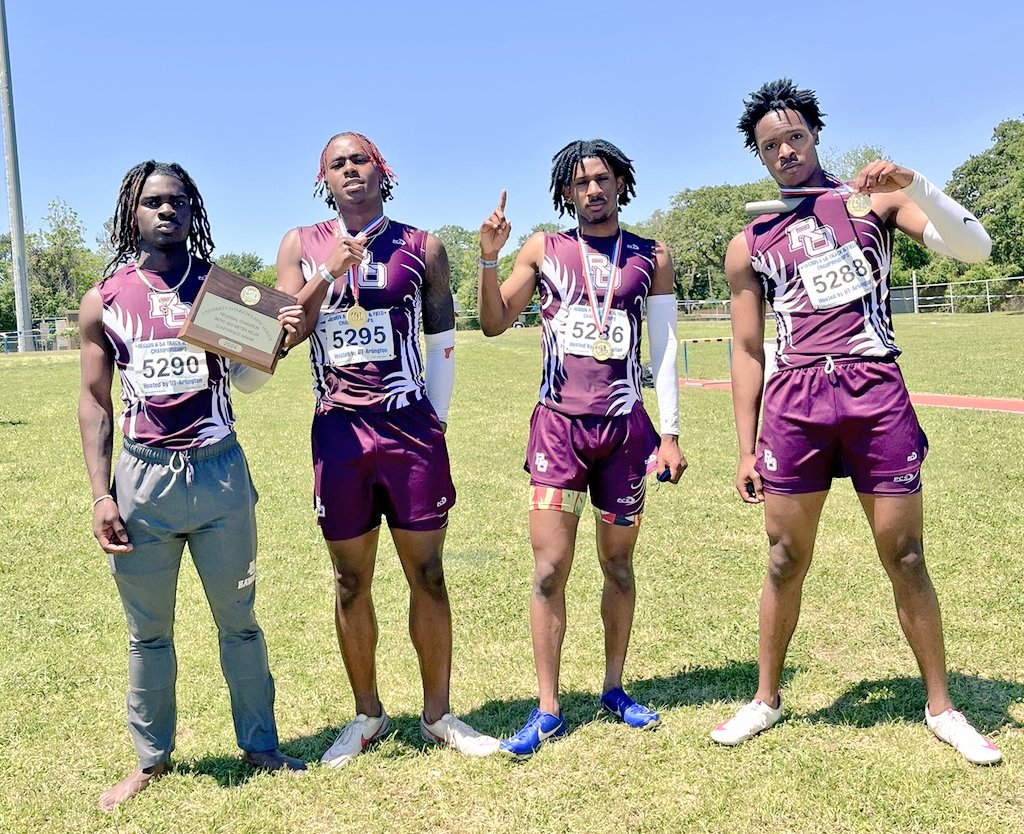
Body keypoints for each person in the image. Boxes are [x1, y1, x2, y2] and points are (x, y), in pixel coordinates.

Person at [713, 79, 1001, 765]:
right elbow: (749, 351)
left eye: (795, 138)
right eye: (770, 146)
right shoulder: (750, 239)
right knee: (785, 558)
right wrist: (744, 447)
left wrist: (918, 184)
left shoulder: (874, 202)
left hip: (875, 391)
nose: (785, 151)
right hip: (796, 401)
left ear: (815, 136)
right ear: (760, 157)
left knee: (905, 556)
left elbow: (976, 251)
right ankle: (765, 699)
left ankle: (942, 707)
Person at [78, 161, 307, 812]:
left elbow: (251, 379)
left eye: (178, 200)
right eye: (153, 202)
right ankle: (151, 761)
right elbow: (94, 401)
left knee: (240, 623)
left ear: (193, 209)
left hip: (219, 473)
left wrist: (275, 343)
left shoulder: (222, 290)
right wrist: (101, 495)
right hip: (142, 480)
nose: (166, 211)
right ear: (133, 212)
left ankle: (260, 746)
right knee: (148, 633)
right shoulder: (107, 298)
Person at [276, 132, 497, 766]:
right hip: (339, 431)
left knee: (427, 572)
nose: (351, 170)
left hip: (409, 430)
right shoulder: (301, 243)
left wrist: (438, 421)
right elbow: (287, 331)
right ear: (326, 177)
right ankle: (367, 715)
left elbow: (443, 340)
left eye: (361, 160)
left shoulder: (422, 245)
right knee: (350, 579)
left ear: (382, 170)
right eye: (338, 163)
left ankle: (438, 714)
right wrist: (328, 273)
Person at [477, 139, 687, 758]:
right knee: (549, 569)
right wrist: (489, 261)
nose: (592, 190)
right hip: (559, 428)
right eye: (579, 182)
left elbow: (667, 346)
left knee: (618, 565)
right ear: (565, 193)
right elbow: (492, 322)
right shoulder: (545, 248)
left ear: (622, 182)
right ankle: (547, 707)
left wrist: (669, 432)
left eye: (602, 178)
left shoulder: (652, 256)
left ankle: (615, 688)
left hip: (624, 432)